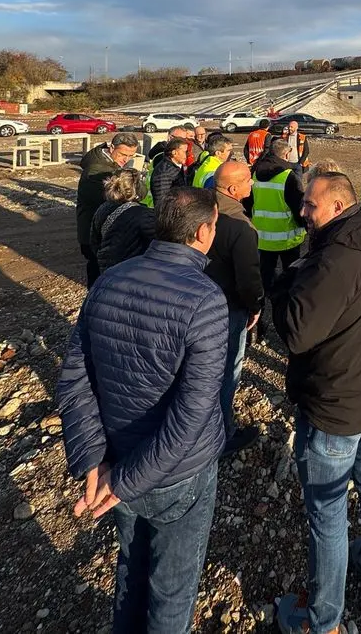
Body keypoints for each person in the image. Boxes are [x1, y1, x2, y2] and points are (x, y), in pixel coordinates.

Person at [57, 188, 228, 632]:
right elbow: (193, 413)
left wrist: (94, 460)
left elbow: (75, 378)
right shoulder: (205, 300)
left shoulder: (109, 281)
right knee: (171, 591)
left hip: (118, 461)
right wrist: (120, 476)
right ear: (204, 231)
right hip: (175, 475)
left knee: (131, 573)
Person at [272, 173, 361, 634]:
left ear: (339, 206)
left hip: (332, 405)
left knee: (326, 516)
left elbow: (296, 333)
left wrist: (286, 285)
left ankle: (324, 621)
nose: (302, 212)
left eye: (310, 205)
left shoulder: (334, 261)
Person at [206, 161, 264, 451]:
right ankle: (223, 435)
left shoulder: (199, 210)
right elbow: (249, 278)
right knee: (228, 370)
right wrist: (255, 306)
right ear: (232, 189)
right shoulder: (240, 227)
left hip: (195, 304)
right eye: (248, 181)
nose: (252, 185)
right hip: (228, 309)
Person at [76, 132, 140, 288]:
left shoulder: (113, 166)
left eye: (131, 156)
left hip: (104, 229)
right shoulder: (95, 171)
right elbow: (116, 198)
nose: (126, 159)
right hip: (94, 231)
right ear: (112, 148)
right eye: (123, 154)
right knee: (98, 270)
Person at [252, 138, 306, 294]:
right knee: (290, 269)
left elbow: (250, 201)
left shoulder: (256, 172)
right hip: (287, 235)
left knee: (266, 270)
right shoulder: (288, 176)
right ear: (286, 154)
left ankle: (266, 293)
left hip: (263, 235)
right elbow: (297, 206)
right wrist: (304, 225)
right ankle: (287, 293)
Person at [90, 170, 156, 276]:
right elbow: (156, 247)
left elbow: (94, 241)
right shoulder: (144, 215)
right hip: (133, 272)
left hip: (107, 269)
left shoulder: (103, 208)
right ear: (137, 189)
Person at [150, 137, 188, 207]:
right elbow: (162, 201)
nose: (187, 155)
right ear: (174, 152)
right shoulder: (164, 172)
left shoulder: (177, 166)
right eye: (184, 151)